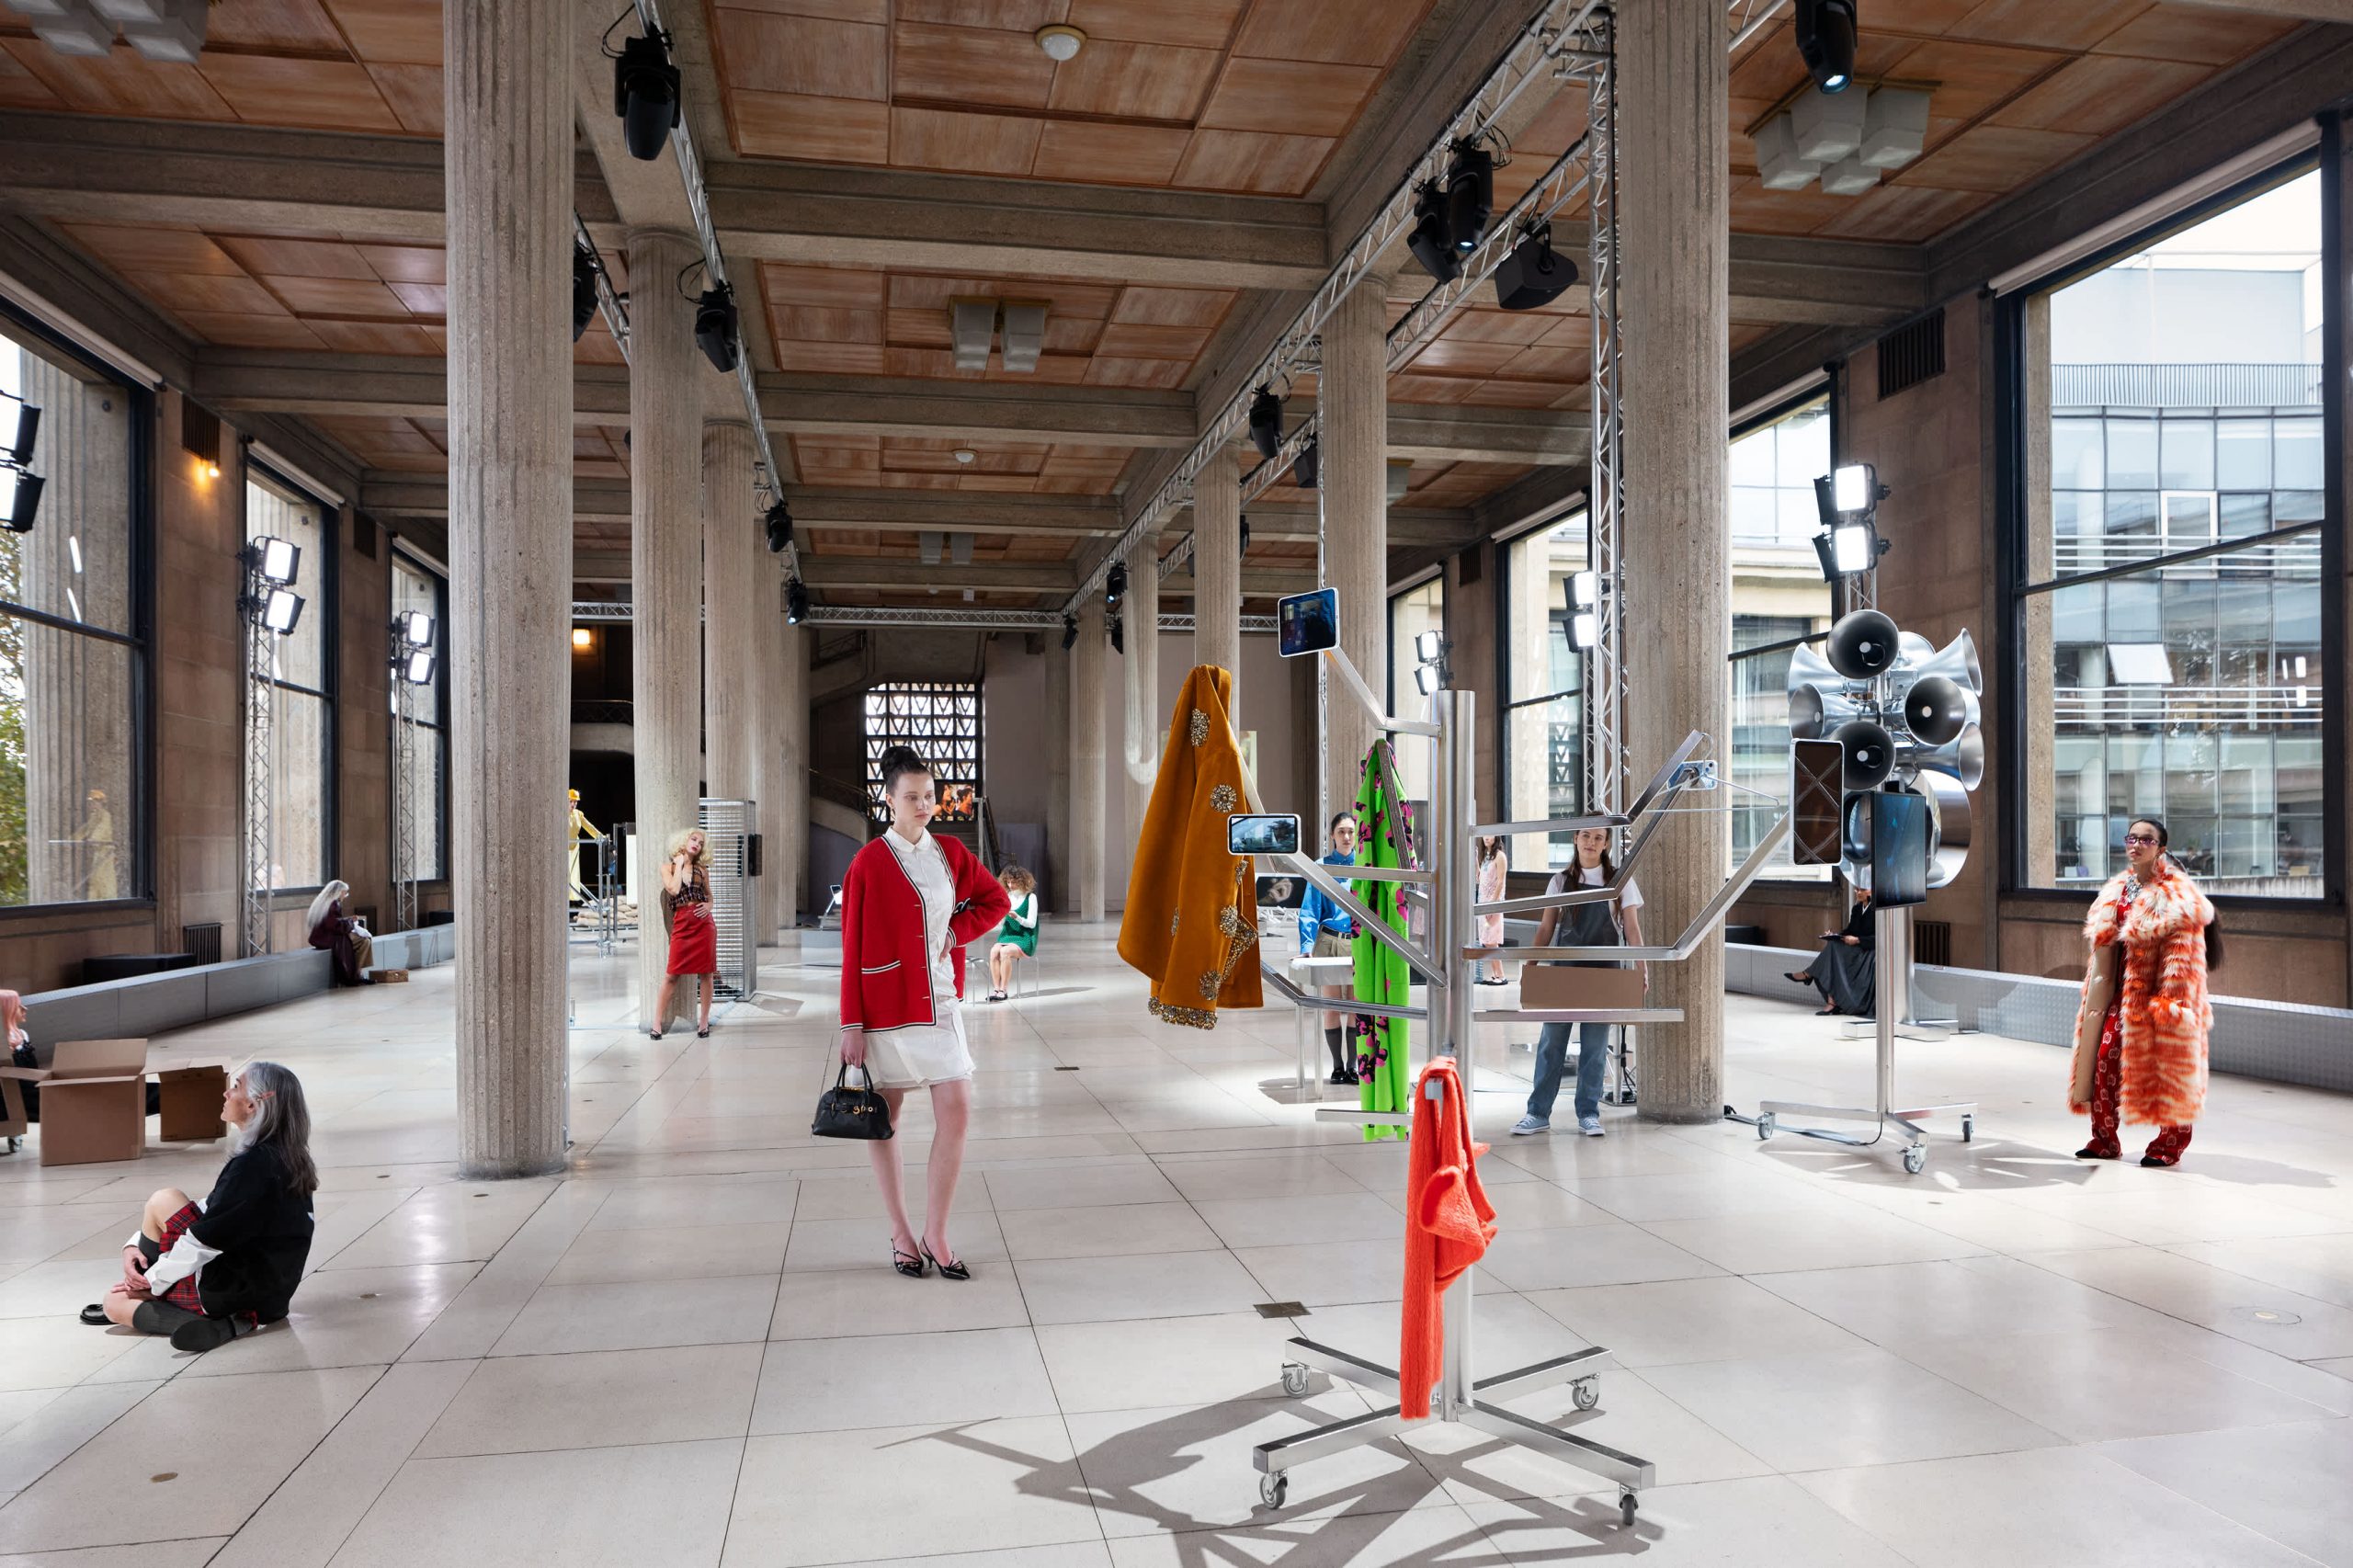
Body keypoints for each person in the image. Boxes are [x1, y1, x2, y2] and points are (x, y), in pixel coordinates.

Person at [839, 745, 1009, 1280]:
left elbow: (996, 902)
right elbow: (850, 947)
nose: (923, 805)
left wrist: (956, 932)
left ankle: (936, 1231)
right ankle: (900, 1231)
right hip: (884, 1007)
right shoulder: (867, 863)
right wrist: (851, 1024)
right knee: (884, 1121)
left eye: (930, 796)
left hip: (940, 1001)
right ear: (888, 799)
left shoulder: (952, 854)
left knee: (955, 1108)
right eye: (911, 797)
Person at [79, 1062, 316, 1353]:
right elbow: (212, 1210)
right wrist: (132, 1246)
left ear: (254, 1104)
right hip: (269, 1293)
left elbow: (205, 1240)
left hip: (236, 1292)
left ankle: (221, 1322)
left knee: (114, 1304)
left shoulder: (254, 1165)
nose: (226, 1094)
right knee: (165, 1199)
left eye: (236, 1087)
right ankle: (148, 1288)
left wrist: (153, 1283)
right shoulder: (283, 1156)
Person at [2069, 817, 2216, 1168]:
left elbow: (2185, 955)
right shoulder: (2118, 888)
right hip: (2118, 995)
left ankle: (2170, 1144)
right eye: (2131, 838)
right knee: (2104, 1060)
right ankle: (2103, 1139)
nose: (2135, 845)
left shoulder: (2176, 895)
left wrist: (2171, 1004)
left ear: (2161, 848)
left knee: (2169, 1068)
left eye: (2146, 840)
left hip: (2159, 997)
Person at [1511, 826, 1646, 1138]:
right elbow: (1546, 928)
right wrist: (1530, 966)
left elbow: (1633, 930)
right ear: (1575, 838)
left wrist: (1643, 968)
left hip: (1604, 973)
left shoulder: (1620, 882)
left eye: (1598, 837)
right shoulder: (1560, 881)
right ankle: (1537, 1113)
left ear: (1606, 843)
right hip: (1564, 971)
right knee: (1551, 1044)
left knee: (1595, 1047)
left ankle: (1588, 1113)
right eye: (1585, 835)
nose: (1591, 842)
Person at [1297, 812, 1360, 1085]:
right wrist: (1307, 945)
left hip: (1357, 942)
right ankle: (1337, 1066)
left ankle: (1354, 1066)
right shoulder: (1321, 866)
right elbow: (1309, 909)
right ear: (1332, 836)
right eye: (1341, 832)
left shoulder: (1366, 866)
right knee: (1332, 1005)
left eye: (1350, 832)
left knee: (1357, 1006)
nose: (1346, 837)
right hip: (1329, 941)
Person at [654, 827, 717, 1040]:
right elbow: (672, 889)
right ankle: (656, 1023)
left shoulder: (702, 870)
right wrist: (680, 864)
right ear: (684, 840)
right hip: (681, 923)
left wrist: (708, 906)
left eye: (700, 843)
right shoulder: (668, 867)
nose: (697, 844)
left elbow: (710, 896)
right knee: (671, 975)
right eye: (694, 839)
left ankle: (704, 1021)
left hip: (703, 924)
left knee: (707, 973)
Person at [1788, 885, 1873, 1017]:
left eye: (1862, 890)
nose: (1858, 892)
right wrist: (1836, 935)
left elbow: (1880, 936)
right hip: (1854, 947)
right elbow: (1850, 930)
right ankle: (1831, 1001)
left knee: (1833, 950)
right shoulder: (1857, 909)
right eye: (1857, 890)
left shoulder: (1878, 910)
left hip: (1867, 950)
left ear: (1872, 891)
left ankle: (1809, 975)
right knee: (1833, 945)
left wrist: (1858, 940)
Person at [304, 880, 375, 986]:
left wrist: (348, 920)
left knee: (362, 941)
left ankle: (357, 974)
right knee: (365, 942)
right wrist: (350, 922)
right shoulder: (333, 904)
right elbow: (335, 926)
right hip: (330, 938)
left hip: (322, 937)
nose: (345, 896)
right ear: (339, 892)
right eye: (345, 892)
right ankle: (356, 974)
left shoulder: (323, 902)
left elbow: (331, 922)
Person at [985, 864, 1039, 1002]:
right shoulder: (1007, 896)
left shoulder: (1030, 898)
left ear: (1022, 881)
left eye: (1014, 882)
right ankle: (996, 989)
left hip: (1024, 938)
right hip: (1007, 935)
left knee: (1005, 952)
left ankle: (1004, 990)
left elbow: (1032, 924)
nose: (1010, 885)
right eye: (1008, 881)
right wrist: (1001, 918)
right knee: (994, 951)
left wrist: (1018, 917)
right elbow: (1002, 923)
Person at [1475, 835, 1509, 984]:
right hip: (1483, 901)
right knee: (1487, 940)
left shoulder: (1500, 857)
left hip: (1493, 902)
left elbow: (1501, 882)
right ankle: (1496, 974)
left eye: (1490, 835)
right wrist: (1476, 858)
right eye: (1485, 835)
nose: (1486, 838)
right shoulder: (1487, 858)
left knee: (1492, 938)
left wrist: (1492, 904)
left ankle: (1501, 975)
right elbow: (1479, 878)